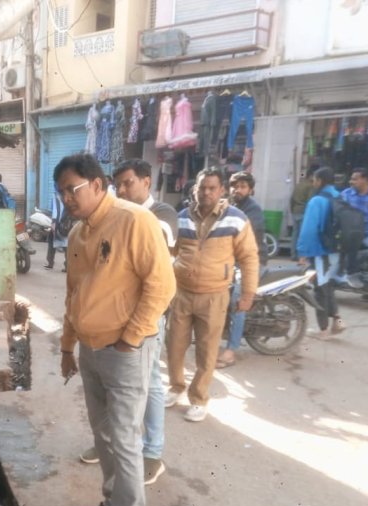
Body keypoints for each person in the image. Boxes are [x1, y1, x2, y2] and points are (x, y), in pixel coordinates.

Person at [57, 153, 175, 506]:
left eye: (71, 189)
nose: (66, 199)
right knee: (103, 433)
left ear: (97, 184)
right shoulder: (76, 236)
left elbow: (162, 284)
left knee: (124, 439)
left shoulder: (134, 221)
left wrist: (131, 336)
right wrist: (66, 345)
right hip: (90, 348)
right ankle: (111, 503)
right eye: (62, 192)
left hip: (126, 349)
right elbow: (74, 294)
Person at [78, 158, 176, 485]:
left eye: (128, 183)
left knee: (149, 386)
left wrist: (131, 337)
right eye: (117, 184)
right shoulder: (103, 221)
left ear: (146, 181)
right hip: (110, 331)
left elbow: (159, 282)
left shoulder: (155, 216)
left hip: (144, 323)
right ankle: (112, 449)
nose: (121, 189)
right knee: (114, 420)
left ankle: (152, 452)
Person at [165, 168, 259, 422]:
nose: (206, 192)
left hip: (215, 295)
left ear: (221, 191)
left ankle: (199, 398)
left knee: (207, 351)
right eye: (201, 187)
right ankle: (175, 387)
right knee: (173, 345)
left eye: (211, 188)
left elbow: (249, 258)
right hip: (182, 293)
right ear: (195, 190)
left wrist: (248, 293)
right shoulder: (182, 217)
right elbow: (171, 252)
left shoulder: (236, 219)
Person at [217, 171, 267, 369]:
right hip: (233, 260)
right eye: (234, 186)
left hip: (252, 261)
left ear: (250, 190)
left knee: (238, 296)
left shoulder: (252, 211)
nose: (237, 189)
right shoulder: (231, 205)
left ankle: (231, 350)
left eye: (243, 186)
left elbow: (241, 240)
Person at [297, 167, 346, 337]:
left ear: (320, 181)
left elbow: (309, 229)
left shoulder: (317, 201)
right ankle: (337, 320)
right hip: (336, 250)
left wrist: (302, 252)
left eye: (315, 179)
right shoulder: (340, 197)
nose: (313, 182)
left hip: (320, 251)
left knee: (320, 289)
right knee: (328, 286)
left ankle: (323, 329)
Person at [290, 164, 320, 258]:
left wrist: (292, 210)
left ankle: (293, 254)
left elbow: (291, 199)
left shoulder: (299, 184)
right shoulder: (310, 186)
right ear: (311, 175)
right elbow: (310, 201)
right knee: (303, 235)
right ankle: (301, 256)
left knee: (295, 234)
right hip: (304, 212)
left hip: (295, 212)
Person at [44, 184, 68, 272]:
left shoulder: (57, 195)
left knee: (51, 242)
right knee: (67, 245)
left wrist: (54, 222)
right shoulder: (68, 193)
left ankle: (50, 263)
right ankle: (67, 266)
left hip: (58, 222)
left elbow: (56, 210)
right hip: (67, 222)